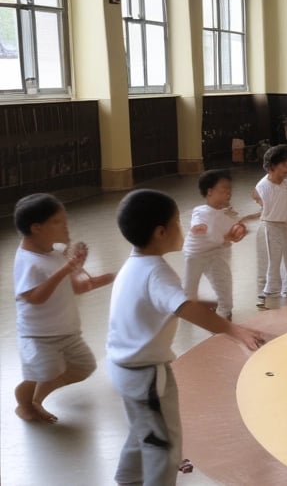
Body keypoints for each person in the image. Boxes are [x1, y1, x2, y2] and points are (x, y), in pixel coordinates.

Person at [106, 189, 265, 486]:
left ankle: (128, 479)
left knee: (144, 429)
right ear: (161, 232)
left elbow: (159, 306)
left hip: (126, 367)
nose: (183, 229)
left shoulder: (135, 265)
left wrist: (197, 306)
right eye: (178, 223)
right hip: (144, 373)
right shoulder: (157, 272)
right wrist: (235, 330)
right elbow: (182, 308)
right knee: (164, 443)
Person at [12, 194, 115, 423]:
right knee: (39, 373)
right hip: (39, 335)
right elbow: (35, 298)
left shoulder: (55, 254)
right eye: (59, 222)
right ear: (37, 228)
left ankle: (38, 398)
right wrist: (65, 270)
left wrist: (92, 275)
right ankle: (24, 405)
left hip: (67, 330)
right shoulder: (29, 262)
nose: (67, 227)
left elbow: (75, 287)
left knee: (84, 366)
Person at [183, 169, 258, 321]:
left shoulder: (230, 213)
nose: (228, 192)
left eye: (230, 189)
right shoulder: (201, 211)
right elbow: (199, 225)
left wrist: (241, 229)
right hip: (195, 255)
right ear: (210, 191)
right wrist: (199, 227)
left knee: (225, 291)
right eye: (224, 189)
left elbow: (239, 226)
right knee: (189, 294)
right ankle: (188, 306)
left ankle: (225, 315)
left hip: (217, 254)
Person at [251, 146, 287, 308]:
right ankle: (266, 294)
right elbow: (255, 195)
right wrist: (262, 205)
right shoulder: (263, 186)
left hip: (284, 226)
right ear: (272, 167)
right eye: (284, 163)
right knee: (270, 262)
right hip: (269, 226)